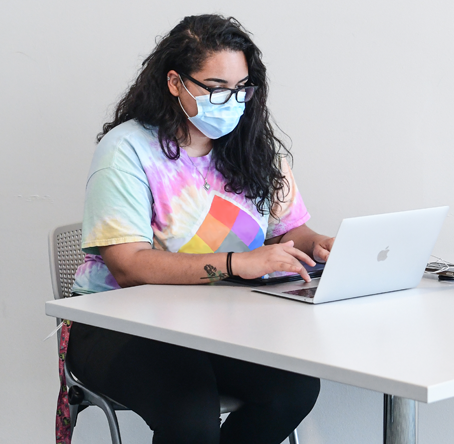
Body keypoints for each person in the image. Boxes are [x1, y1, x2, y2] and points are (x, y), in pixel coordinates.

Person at [55, 14, 334, 444]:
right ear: (174, 82)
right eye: (217, 88)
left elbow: (288, 231)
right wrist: (236, 263)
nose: (233, 101)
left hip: (218, 323)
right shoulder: (127, 150)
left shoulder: (253, 147)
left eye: (242, 89)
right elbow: (127, 266)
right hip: (117, 323)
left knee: (291, 391)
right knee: (190, 410)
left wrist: (317, 245)